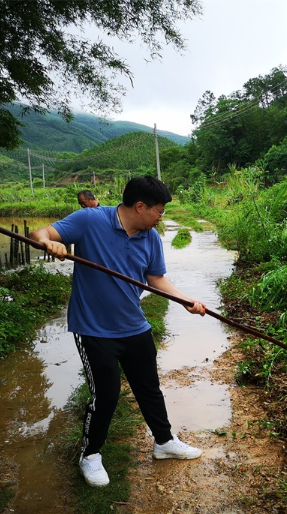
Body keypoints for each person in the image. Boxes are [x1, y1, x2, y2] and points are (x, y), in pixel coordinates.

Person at [31, 176, 207, 487]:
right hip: (94, 329)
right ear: (140, 206)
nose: (161, 217)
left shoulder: (150, 238)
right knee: (107, 394)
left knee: (149, 387)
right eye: (159, 211)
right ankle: (90, 454)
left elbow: (156, 279)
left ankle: (164, 442)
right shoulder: (90, 220)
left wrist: (185, 301)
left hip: (134, 325)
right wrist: (49, 241)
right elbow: (41, 231)